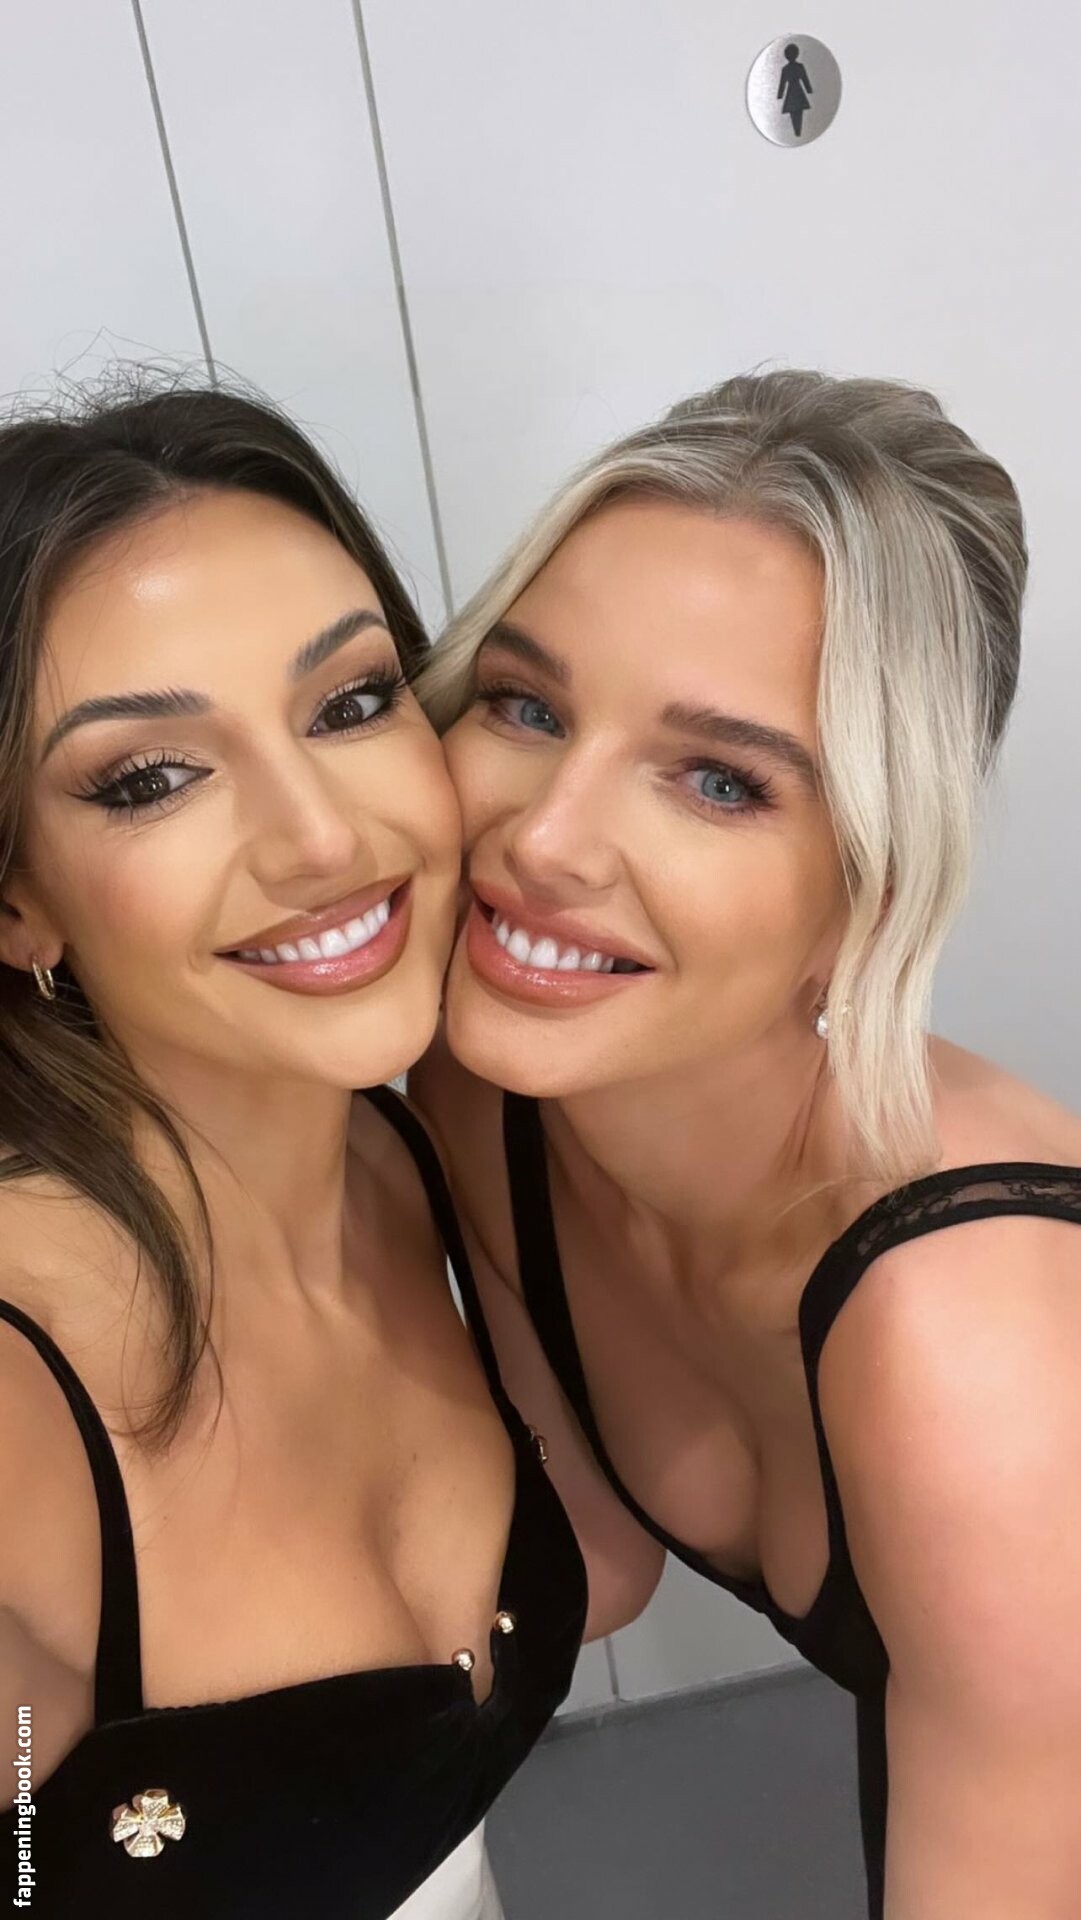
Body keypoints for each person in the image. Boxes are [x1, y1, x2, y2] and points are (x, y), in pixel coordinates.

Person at [413, 369, 1081, 1919]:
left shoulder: (961, 1335)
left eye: (719, 780)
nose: (545, 838)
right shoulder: (486, 1087)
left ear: (869, 890)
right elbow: (589, 1563)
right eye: (524, 706)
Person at [0, 380, 587, 1919]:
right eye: (150, 778)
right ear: (17, 903)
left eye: (350, 702)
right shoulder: (19, 1408)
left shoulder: (416, 1151)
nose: (321, 836)